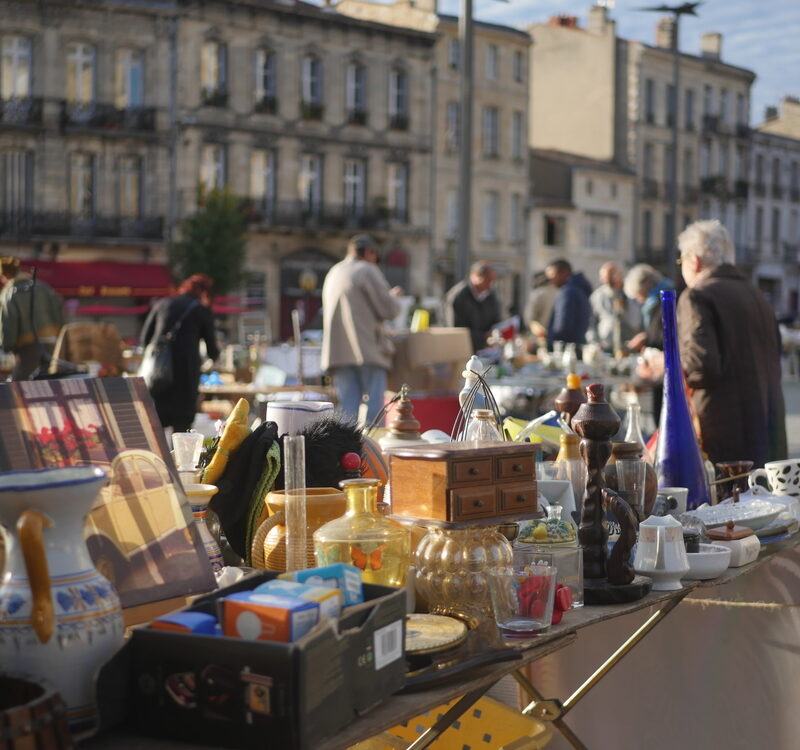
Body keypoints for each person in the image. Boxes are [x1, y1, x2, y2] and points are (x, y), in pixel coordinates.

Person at [676, 219, 787, 467]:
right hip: (767, 424)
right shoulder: (756, 294)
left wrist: (666, 365)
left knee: (725, 503)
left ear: (694, 260)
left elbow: (700, 367)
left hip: (725, 434)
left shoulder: (697, 295)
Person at [321, 234, 402, 424]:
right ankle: (373, 452)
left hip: (339, 351)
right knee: (374, 412)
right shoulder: (367, 270)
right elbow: (389, 309)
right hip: (367, 349)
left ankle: (345, 452)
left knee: (347, 410)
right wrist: (394, 298)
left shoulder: (334, 271)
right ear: (368, 252)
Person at [140, 274, 220, 432]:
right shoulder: (201, 310)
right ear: (204, 292)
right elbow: (212, 350)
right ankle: (179, 456)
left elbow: (144, 339)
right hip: (186, 375)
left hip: (159, 375)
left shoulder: (162, 304)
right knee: (182, 427)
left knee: (157, 425)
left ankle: (157, 456)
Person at [623, 263, 674, 425]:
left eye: (639, 295)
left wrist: (648, 343)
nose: (639, 300)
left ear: (647, 286)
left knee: (664, 417)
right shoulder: (653, 303)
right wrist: (646, 338)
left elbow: (665, 333)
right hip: (661, 368)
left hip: (666, 367)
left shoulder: (663, 300)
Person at [0, 256, 64, 380]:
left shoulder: (8, 294)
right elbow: (58, 309)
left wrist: (7, 345)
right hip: (52, 341)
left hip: (28, 346)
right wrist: (61, 336)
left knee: (19, 384)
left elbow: (8, 323)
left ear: (4, 276)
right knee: (50, 381)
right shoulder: (42, 287)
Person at [445, 261, 501, 353]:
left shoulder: (490, 296)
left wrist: (495, 332)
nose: (490, 285)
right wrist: (483, 336)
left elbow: (496, 319)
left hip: (485, 350)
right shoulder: (458, 296)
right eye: (487, 281)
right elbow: (455, 327)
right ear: (477, 276)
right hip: (461, 349)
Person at [589, 262, 642, 355]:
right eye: (606, 277)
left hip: (629, 344)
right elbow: (591, 322)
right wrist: (594, 343)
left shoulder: (630, 293)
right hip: (606, 345)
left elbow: (637, 318)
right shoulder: (598, 296)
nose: (610, 280)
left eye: (613, 276)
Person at [545, 259, 592, 349]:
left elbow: (562, 325)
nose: (551, 281)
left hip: (565, 348)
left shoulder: (567, 292)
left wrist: (549, 341)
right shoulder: (579, 289)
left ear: (563, 273)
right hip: (578, 345)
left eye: (553, 276)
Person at [523, 270, 558, 342]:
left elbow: (529, 319)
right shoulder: (559, 291)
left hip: (539, 338)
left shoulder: (537, 293)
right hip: (555, 336)